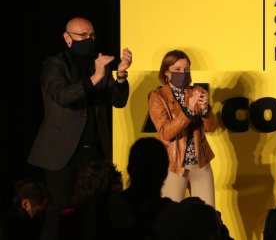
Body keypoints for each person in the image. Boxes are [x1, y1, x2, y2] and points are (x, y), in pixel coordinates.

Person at [27, 17, 132, 240]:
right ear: (67, 38)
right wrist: (95, 78)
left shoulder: (99, 63)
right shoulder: (55, 64)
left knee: (96, 210)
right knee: (61, 210)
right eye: (82, 35)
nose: (88, 40)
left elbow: (118, 101)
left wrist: (121, 75)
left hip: (93, 153)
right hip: (62, 154)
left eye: (91, 35)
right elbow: (63, 96)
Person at [148, 49, 218, 207]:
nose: (183, 73)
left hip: (201, 163)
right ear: (166, 72)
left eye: (186, 70)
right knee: (170, 215)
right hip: (174, 165)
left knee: (206, 216)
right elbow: (166, 132)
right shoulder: (157, 97)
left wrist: (206, 109)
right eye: (177, 69)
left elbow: (212, 127)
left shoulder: (196, 92)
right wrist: (189, 111)